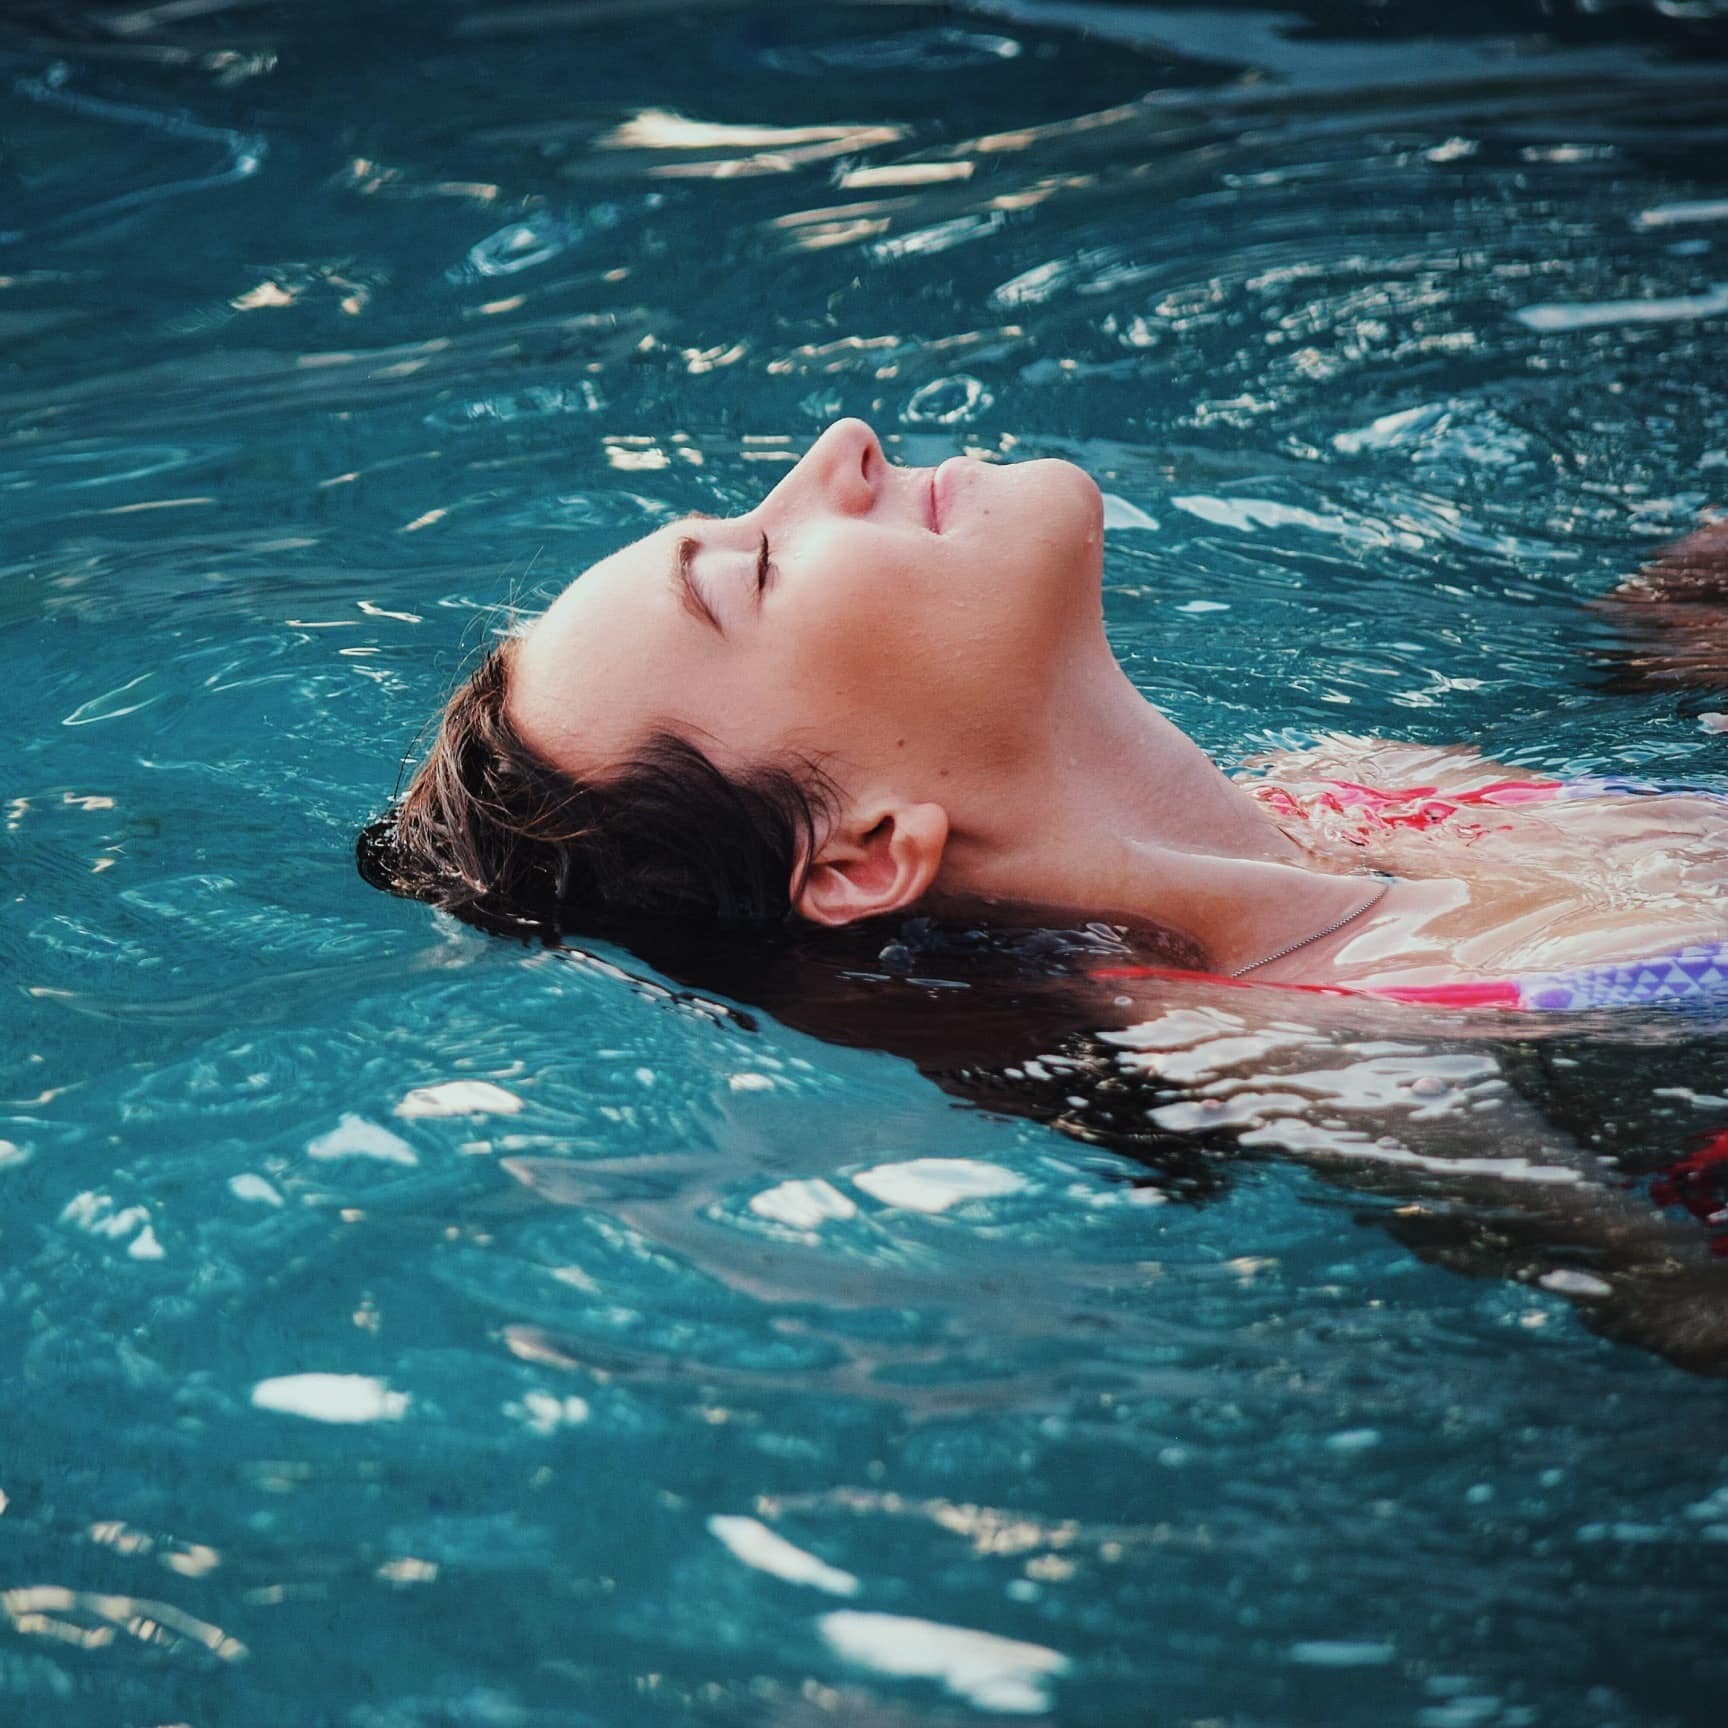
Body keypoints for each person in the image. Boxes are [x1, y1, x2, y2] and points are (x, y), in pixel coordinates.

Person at [359, 418, 1726, 1011]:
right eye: (757, 570)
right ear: (858, 856)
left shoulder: (1355, 787)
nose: (842, 448)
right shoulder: (1320, 1047)